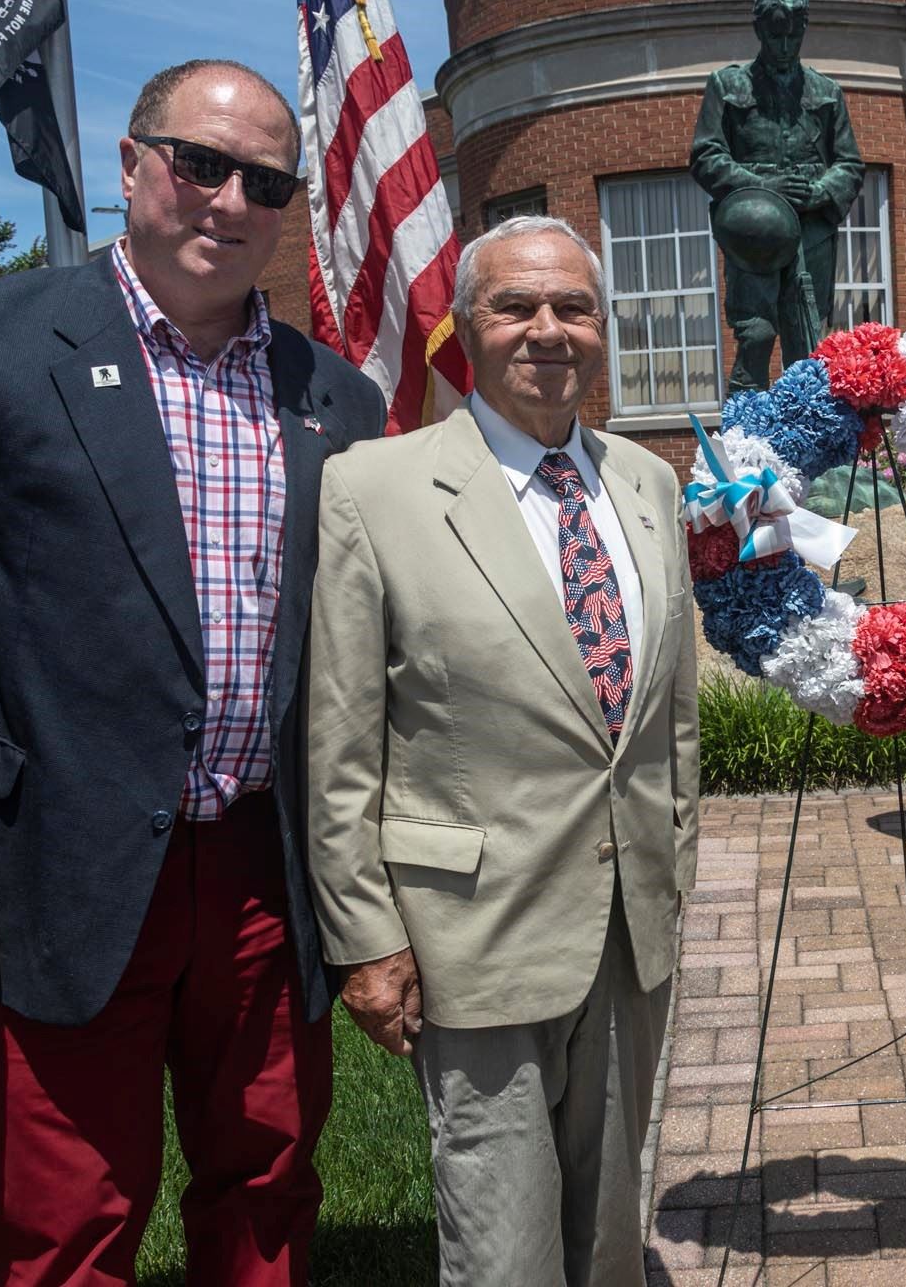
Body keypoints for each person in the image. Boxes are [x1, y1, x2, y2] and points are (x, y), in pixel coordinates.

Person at [0, 59, 387, 1284]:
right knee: (61, 1218)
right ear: (133, 166)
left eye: (265, 181)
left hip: (260, 866)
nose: (228, 201)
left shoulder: (337, 397)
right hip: (60, 860)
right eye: (200, 163)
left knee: (270, 1184)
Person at [306, 215, 699, 1287]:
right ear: (464, 329)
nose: (549, 329)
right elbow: (341, 740)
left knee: (612, 1227)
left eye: (574, 305)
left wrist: (677, 856)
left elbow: (672, 713)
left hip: (628, 926)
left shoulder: (647, 485)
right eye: (516, 306)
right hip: (471, 931)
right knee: (503, 1241)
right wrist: (366, 936)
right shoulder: (374, 487)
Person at [689, 0, 865, 391]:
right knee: (756, 333)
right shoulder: (727, 86)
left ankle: (813, 441)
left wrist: (820, 191)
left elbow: (850, 163)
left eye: (793, 34)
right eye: (775, 33)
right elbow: (706, 156)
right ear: (758, 29)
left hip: (812, 230)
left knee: (807, 337)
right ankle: (741, 437)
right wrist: (765, 187)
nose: (785, 44)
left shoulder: (826, 92)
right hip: (755, 230)